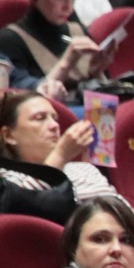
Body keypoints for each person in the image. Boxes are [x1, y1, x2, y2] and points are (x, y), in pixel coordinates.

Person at [0, 0, 111, 100]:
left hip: (94, 112)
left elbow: (105, 103)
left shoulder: (78, 30)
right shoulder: (9, 40)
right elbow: (22, 103)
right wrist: (66, 63)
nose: (68, 8)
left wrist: (97, 72)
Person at [0, 90, 110, 222]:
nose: (55, 125)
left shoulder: (83, 169)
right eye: (40, 118)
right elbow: (28, 207)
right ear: (9, 135)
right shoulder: (5, 179)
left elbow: (122, 213)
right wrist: (60, 155)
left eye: (55, 118)